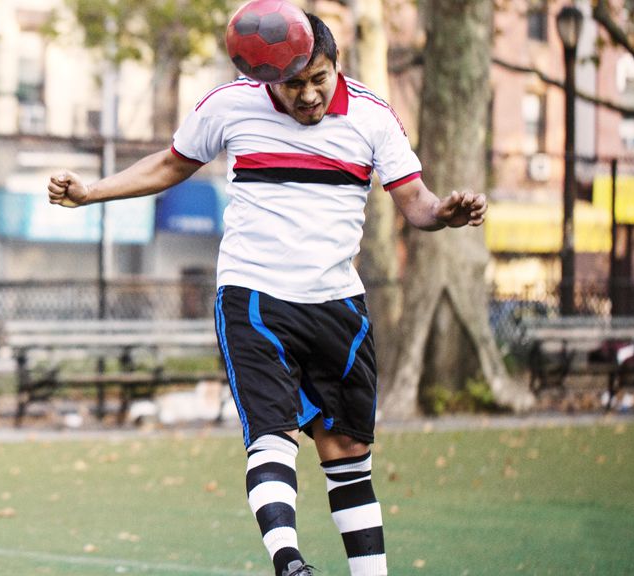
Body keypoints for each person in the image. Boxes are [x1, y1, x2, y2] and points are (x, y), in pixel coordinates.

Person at [47, 13, 486, 576]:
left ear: (336, 65)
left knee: (349, 453)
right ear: (267, 77)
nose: (308, 95)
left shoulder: (373, 117)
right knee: (272, 433)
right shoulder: (230, 105)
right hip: (255, 297)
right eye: (293, 84)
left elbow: (417, 201)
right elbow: (168, 165)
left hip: (337, 305)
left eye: (319, 79)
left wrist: (445, 214)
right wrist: (90, 193)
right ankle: (289, 563)